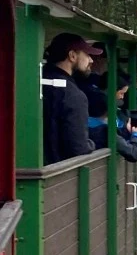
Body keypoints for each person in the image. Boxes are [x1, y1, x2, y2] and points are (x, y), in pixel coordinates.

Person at [43, 32, 103, 164]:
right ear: (72, 55)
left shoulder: (34, 82)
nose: (91, 60)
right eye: (87, 55)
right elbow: (78, 148)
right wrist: (91, 143)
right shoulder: (72, 94)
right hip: (57, 176)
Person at [88, 74, 137, 163]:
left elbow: (118, 136)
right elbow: (133, 153)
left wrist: (131, 132)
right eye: (121, 93)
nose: (122, 97)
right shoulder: (102, 129)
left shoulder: (90, 123)